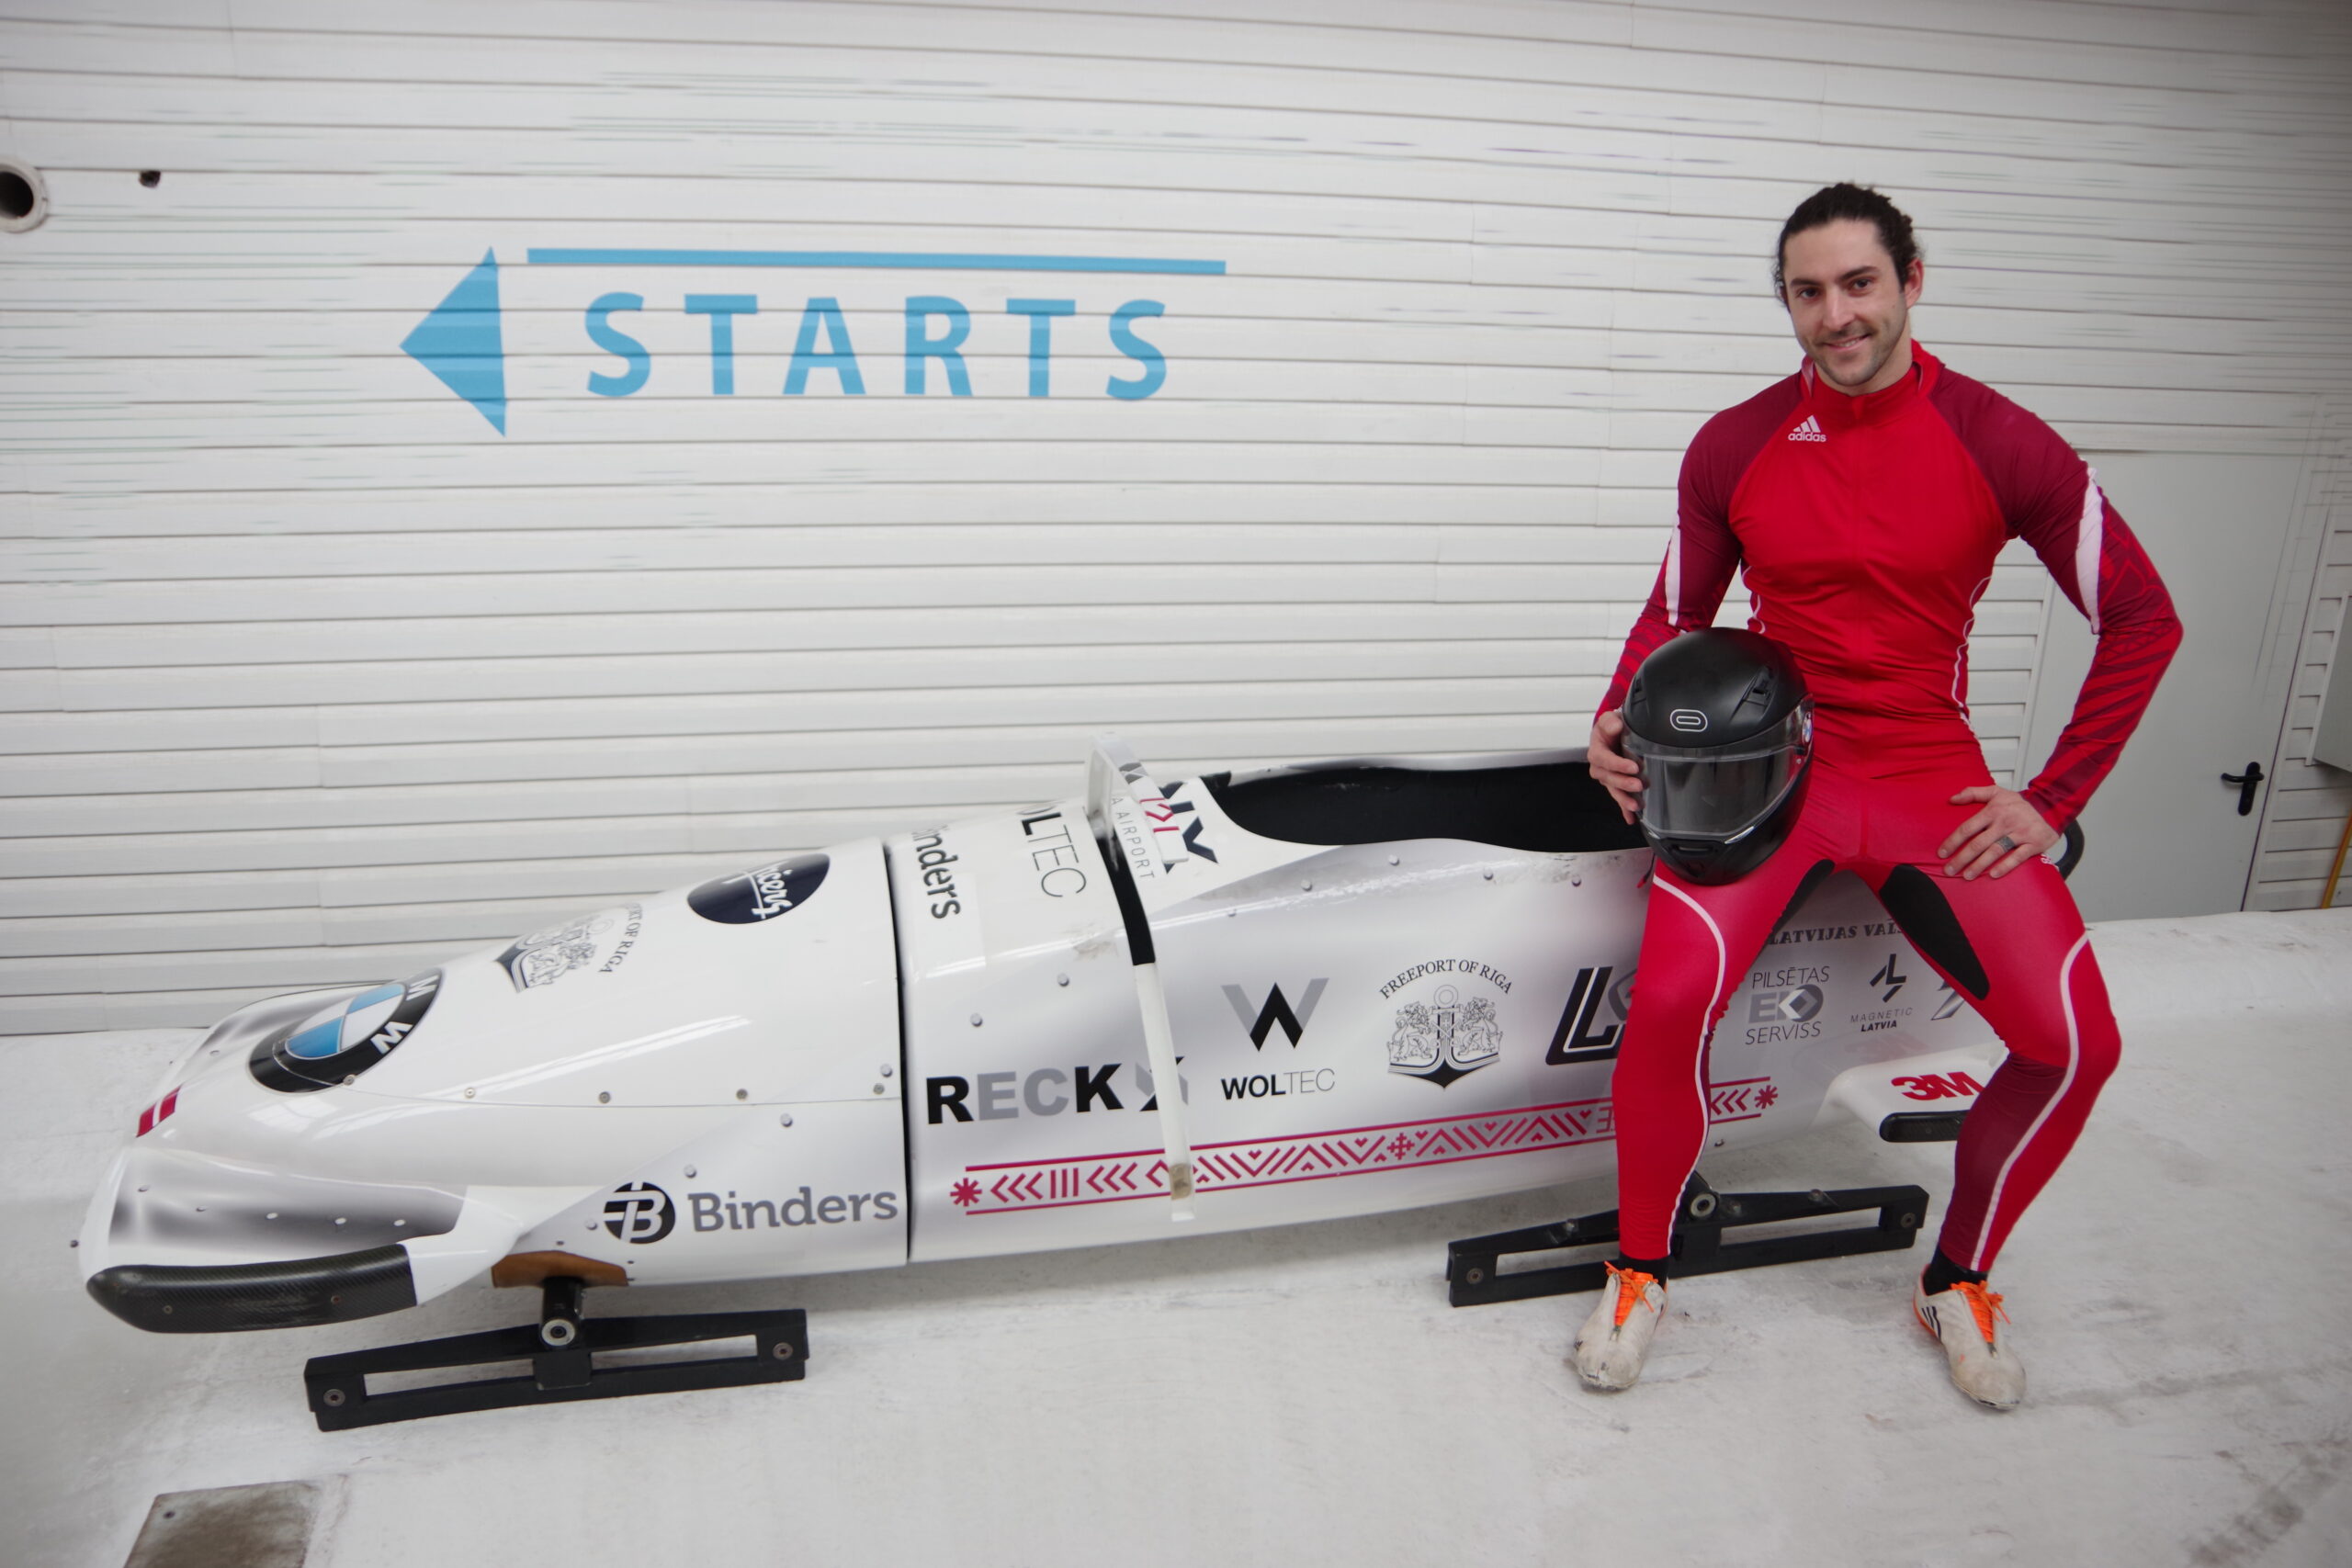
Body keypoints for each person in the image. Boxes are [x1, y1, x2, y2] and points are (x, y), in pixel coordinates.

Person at [1577, 183, 2181, 1408]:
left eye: (1859, 284)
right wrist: (1619, 714)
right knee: (1669, 1001)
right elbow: (1675, 614)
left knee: (2075, 1046)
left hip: (1924, 778)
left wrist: (2054, 797)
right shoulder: (1734, 442)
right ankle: (1641, 1266)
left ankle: (1957, 1278)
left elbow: (2143, 619)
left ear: (1911, 280)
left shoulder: (2003, 440)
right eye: (1809, 292)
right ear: (1788, 305)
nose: (1836, 315)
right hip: (1770, 773)